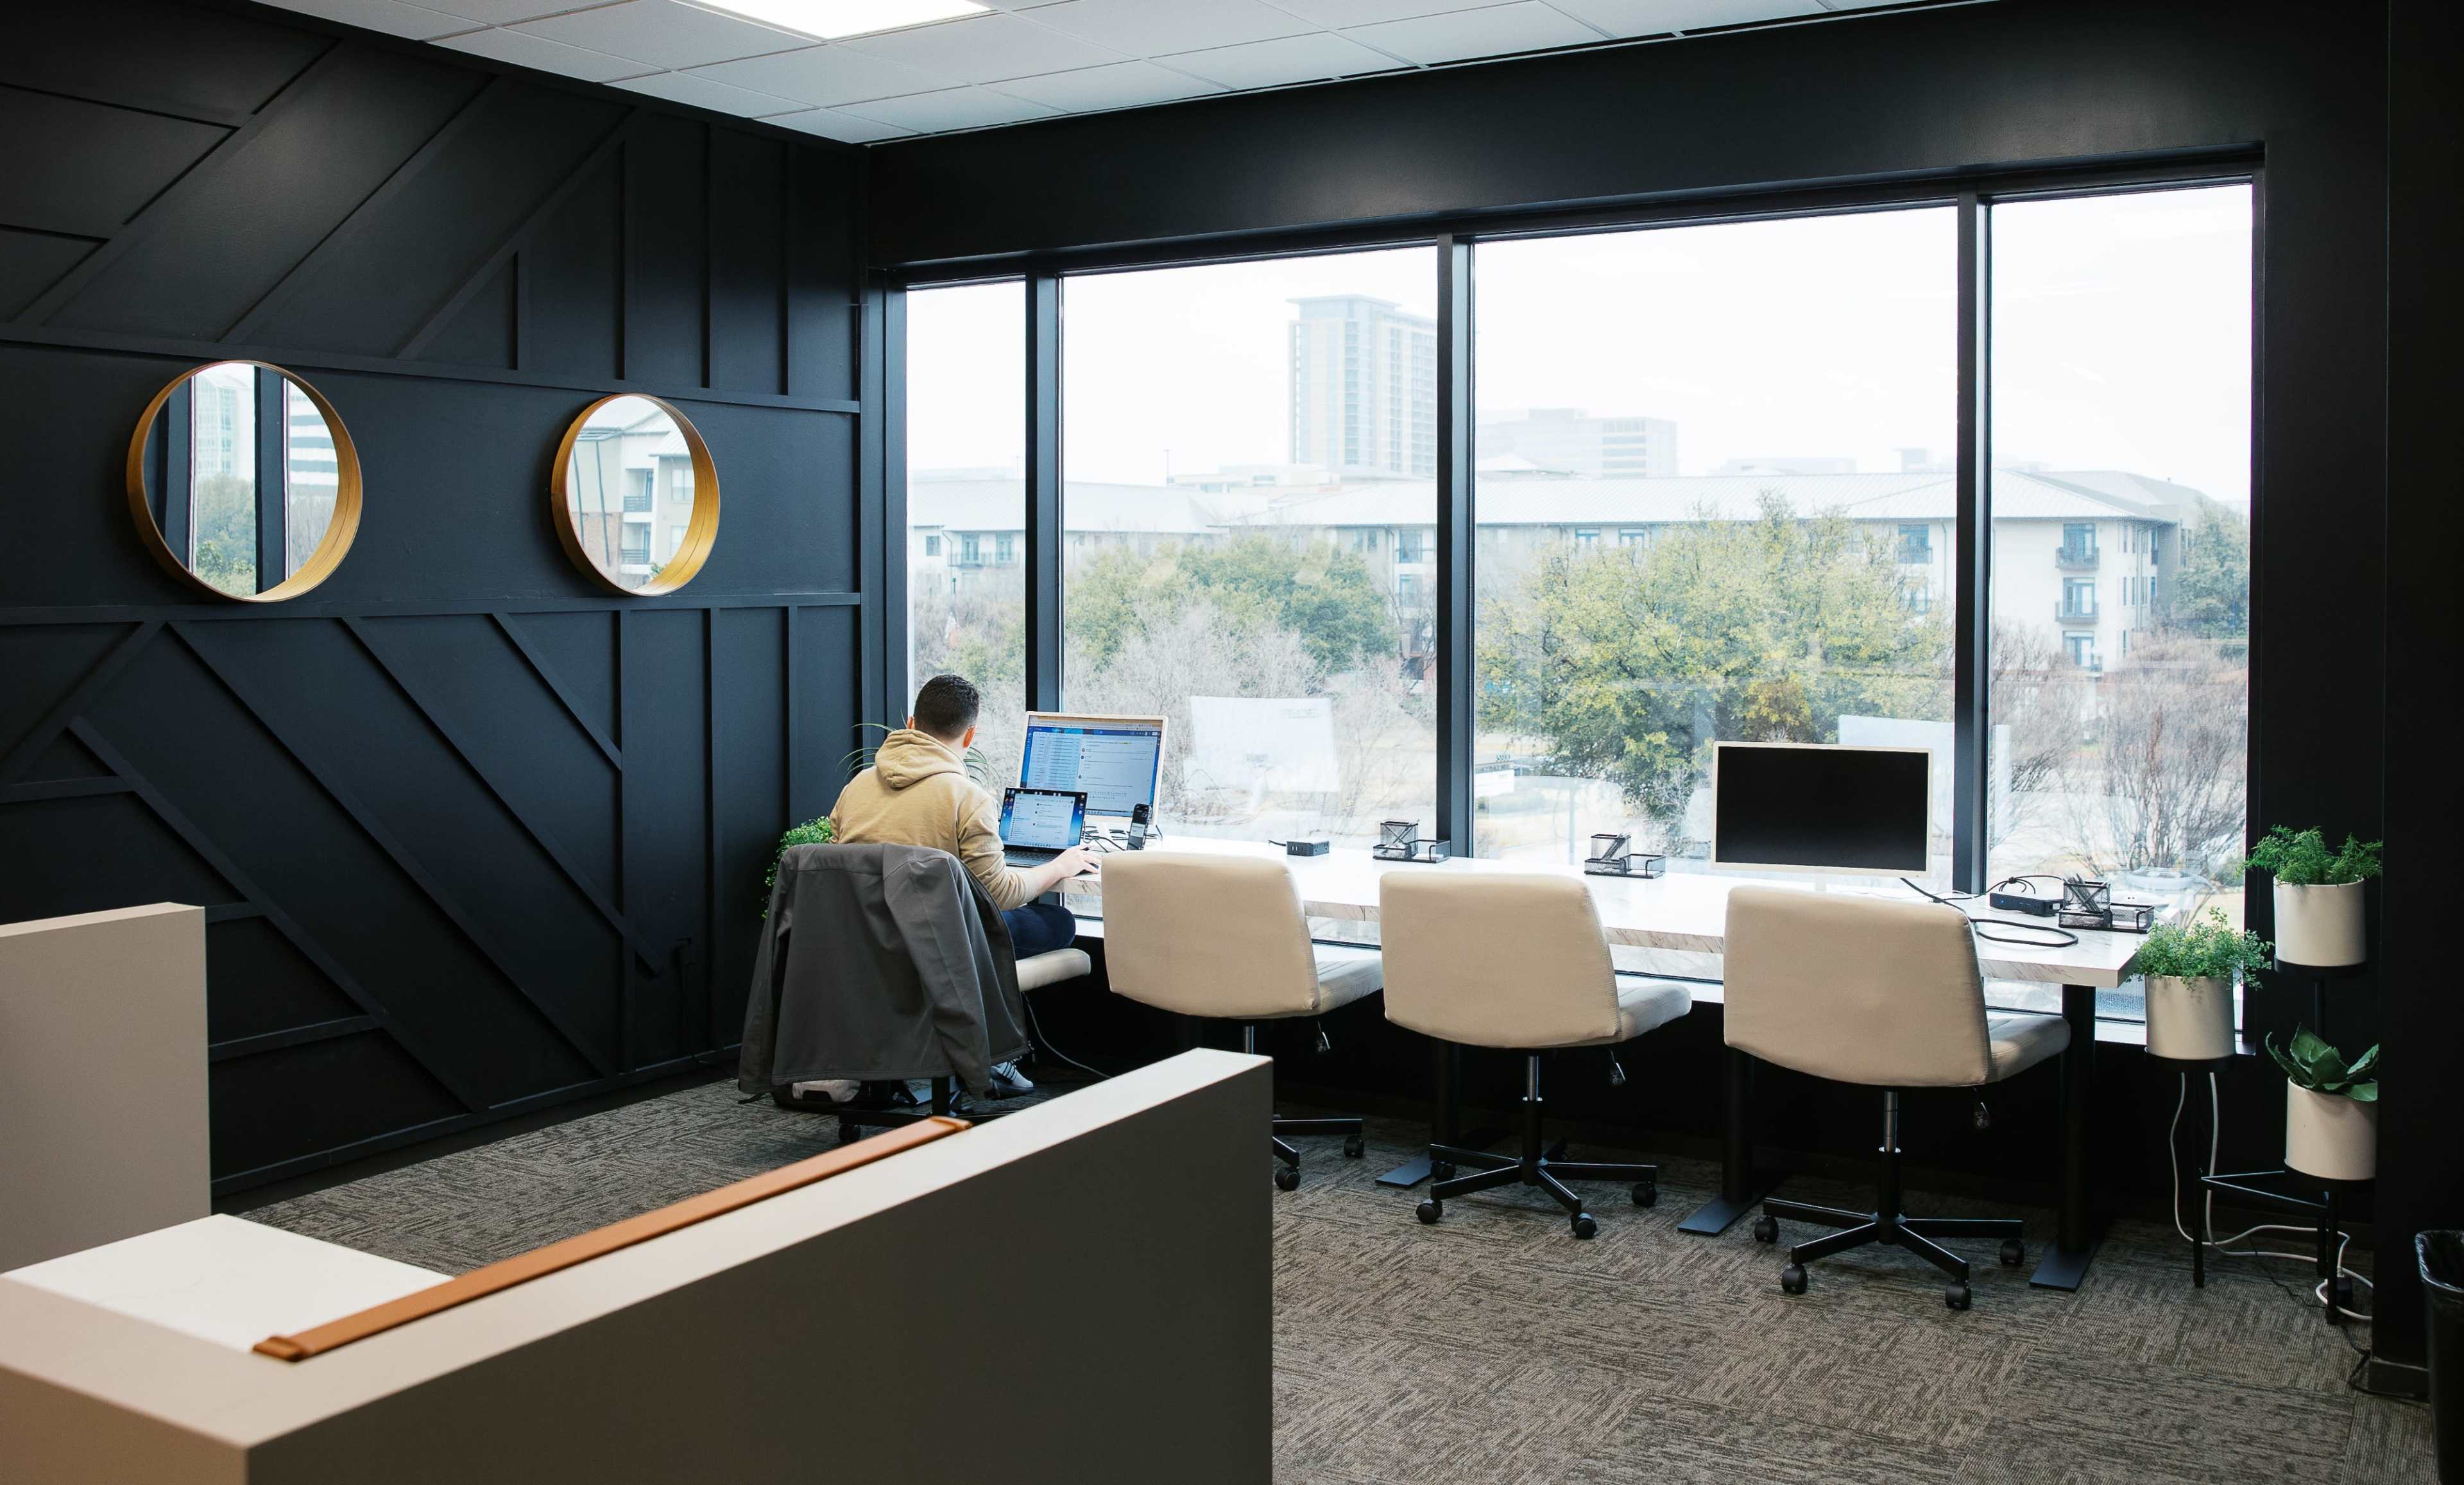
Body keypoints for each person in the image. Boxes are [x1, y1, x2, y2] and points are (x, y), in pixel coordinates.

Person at [828, 674, 1095, 1094]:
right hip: (941, 947)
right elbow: (1000, 894)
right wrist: (1059, 867)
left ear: (913, 724)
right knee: (1058, 921)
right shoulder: (967, 797)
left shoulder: (856, 787)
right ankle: (989, 1054)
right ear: (970, 735)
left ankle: (974, 1054)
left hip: (870, 942)